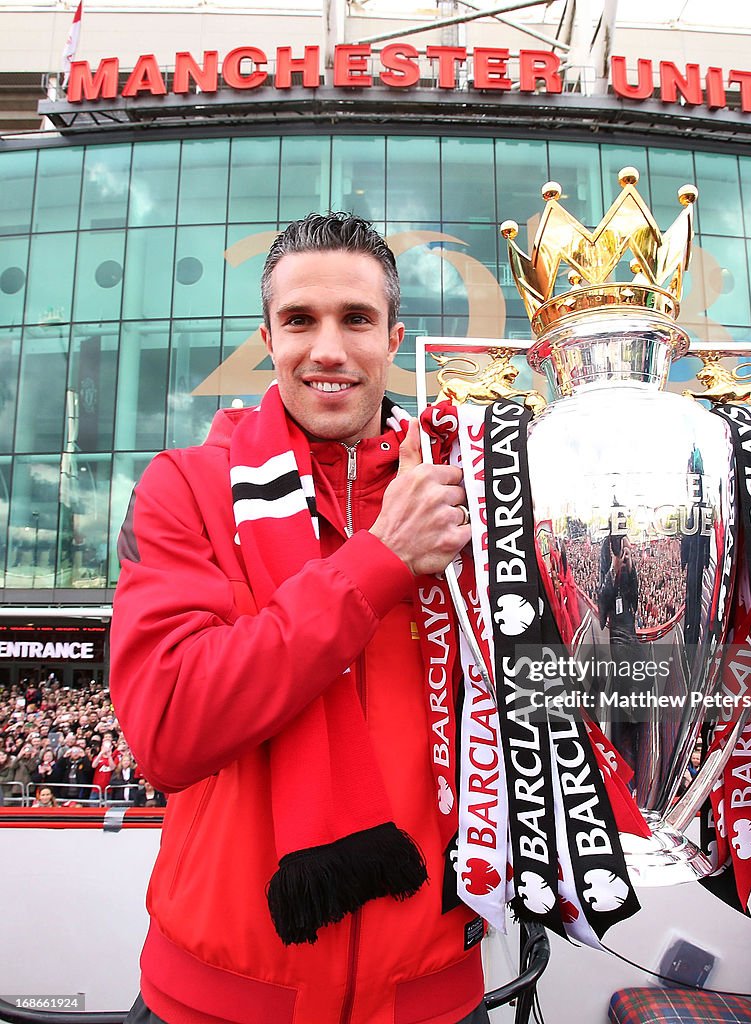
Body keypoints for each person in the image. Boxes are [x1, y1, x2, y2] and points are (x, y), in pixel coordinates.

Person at [109, 213, 482, 1024]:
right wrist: (379, 563)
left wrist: (744, 538)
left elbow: (579, 676)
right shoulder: (183, 488)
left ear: (394, 336)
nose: (327, 350)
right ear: (266, 336)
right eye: (299, 321)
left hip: (430, 996)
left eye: (355, 320)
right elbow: (170, 728)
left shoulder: (470, 494)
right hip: (215, 998)